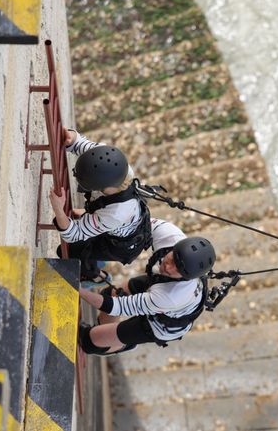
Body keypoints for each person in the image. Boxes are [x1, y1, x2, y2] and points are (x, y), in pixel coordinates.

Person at [77, 218, 216, 355]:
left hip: (162, 324)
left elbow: (117, 306)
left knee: (88, 341)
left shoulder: (171, 296)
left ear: (186, 277)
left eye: (179, 270)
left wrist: (76, 288)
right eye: (173, 259)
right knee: (110, 294)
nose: (168, 267)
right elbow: (132, 220)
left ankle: (123, 343)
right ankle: (107, 335)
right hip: (161, 283)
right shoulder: (170, 234)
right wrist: (91, 219)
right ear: (176, 246)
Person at [49, 128, 152, 284]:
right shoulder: (112, 163)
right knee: (88, 227)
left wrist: (58, 208)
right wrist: (72, 138)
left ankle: (95, 276)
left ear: (97, 186)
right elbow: (82, 145)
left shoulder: (116, 213)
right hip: (116, 220)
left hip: (120, 244)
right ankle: (95, 248)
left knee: (70, 251)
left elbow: (73, 234)